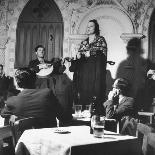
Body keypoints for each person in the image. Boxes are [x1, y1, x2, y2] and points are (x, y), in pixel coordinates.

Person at [1, 68, 69, 128]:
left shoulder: (12, 101)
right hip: (48, 138)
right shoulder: (47, 93)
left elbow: (3, 113)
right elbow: (62, 115)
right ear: (35, 81)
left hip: (25, 140)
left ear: (17, 84)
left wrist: (11, 116)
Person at [69, 19, 107, 111]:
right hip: (84, 75)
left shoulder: (100, 40)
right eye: (88, 26)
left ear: (96, 28)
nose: (89, 28)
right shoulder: (84, 42)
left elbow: (103, 56)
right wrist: (78, 56)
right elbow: (80, 59)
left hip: (95, 73)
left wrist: (91, 54)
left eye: (91, 26)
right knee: (83, 98)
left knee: (94, 98)